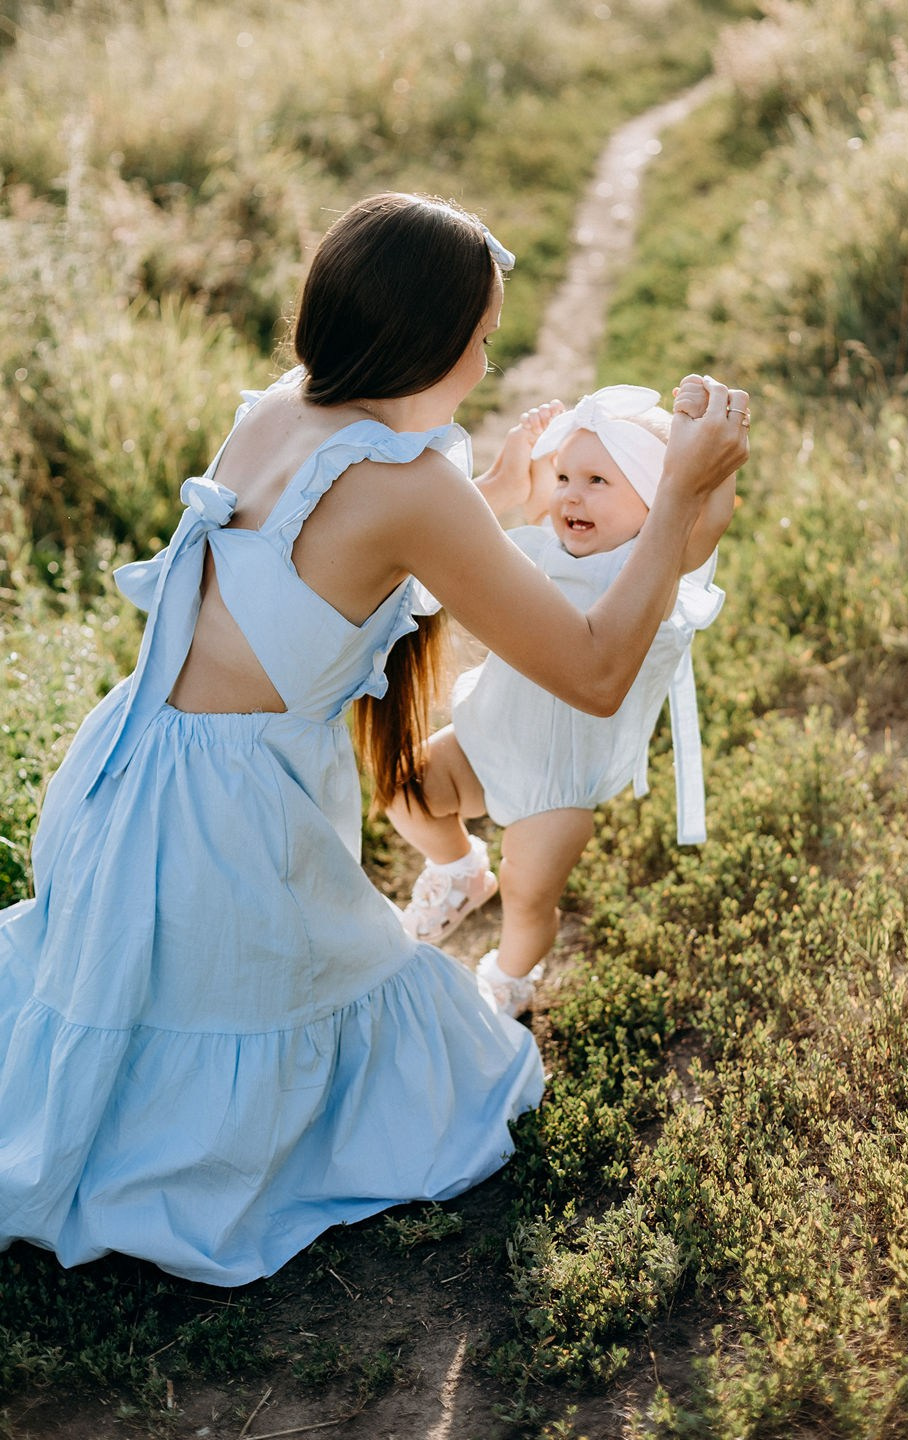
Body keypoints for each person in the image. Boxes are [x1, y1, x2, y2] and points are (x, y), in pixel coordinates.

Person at [0, 192, 749, 1287]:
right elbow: (592, 672)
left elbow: (313, 588)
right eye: (485, 341)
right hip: (225, 837)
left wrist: (482, 504)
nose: (488, 367)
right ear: (432, 341)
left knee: (127, 1021)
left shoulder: (279, 409)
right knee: (459, 1081)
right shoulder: (410, 486)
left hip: (129, 779)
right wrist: (677, 497)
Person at [389, 383, 737, 1017]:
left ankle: (508, 977)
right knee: (403, 787)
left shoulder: (654, 573)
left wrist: (705, 440)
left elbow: (708, 518)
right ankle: (460, 869)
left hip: (557, 785)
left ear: (660, 502)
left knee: (528, 898)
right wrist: (519, 464)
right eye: (565, 476)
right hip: (485, 737)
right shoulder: (540, 547)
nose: (572, 494)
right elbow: (463, 542)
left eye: (600, 480)